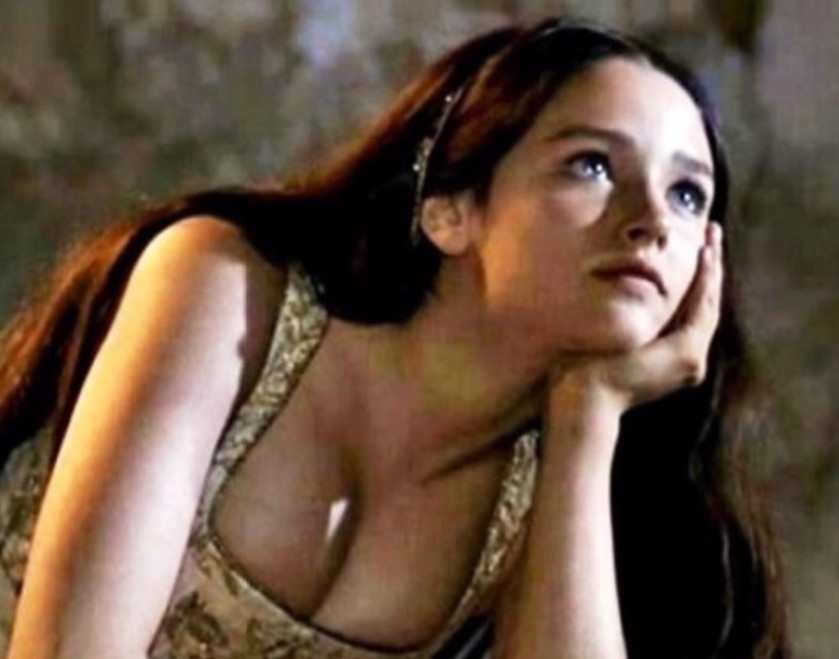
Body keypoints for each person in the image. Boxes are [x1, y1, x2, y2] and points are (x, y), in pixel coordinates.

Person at [0, 17, 788, 659]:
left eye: (689, 194)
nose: (651, 221)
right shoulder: (225, 285)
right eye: (590, 166)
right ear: (451, 211)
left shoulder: (548, 489)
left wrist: (587, 417)